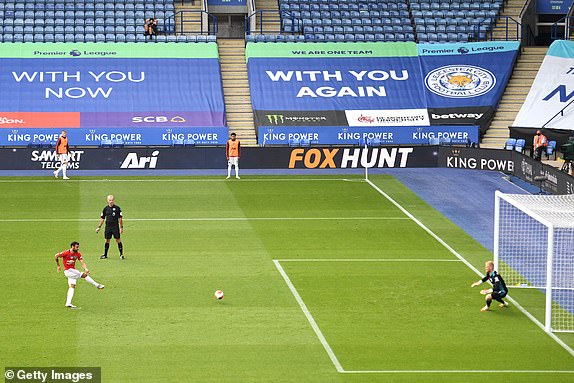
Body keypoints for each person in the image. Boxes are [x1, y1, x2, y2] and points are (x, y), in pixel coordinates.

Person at [55, 241, 104, 309]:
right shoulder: (66, 253)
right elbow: (56, 256)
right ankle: (97, 285)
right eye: (77, 247)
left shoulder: (77, 254)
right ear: (72, 246)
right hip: (68, 271)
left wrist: (86, 268)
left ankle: (68, 303)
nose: (78, 248)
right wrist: (58, 266)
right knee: (84, 275)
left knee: (72, 286)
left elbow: (82, 262)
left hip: (72, 272)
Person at [96, 195, 125, 260]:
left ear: (113, 200)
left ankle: (121, 254)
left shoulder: (117, 208)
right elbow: (102, 218)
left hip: (115, 227)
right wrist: (99, 227)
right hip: (108, 227)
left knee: (118, 240)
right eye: (110, 200)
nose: (111, 201)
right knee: (107, 240)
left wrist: (121, 227)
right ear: (107, 200)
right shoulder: (105, 209)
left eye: (112, 200)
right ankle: (105, 255)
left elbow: (120, 219)